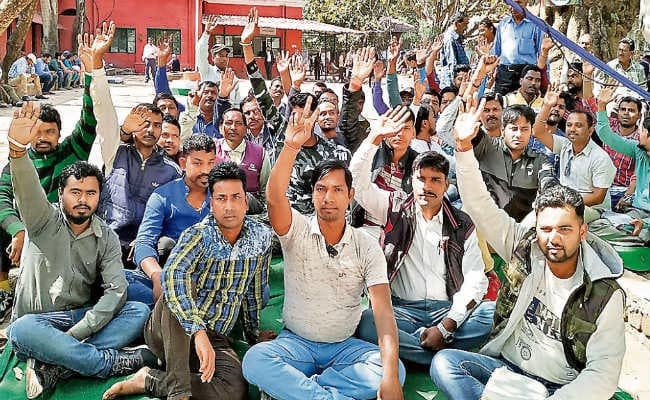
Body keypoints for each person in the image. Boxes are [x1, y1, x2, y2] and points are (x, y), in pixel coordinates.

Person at [430, 99, 626, 400]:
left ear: (582, 231)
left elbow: (603, 373)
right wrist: (464, 147)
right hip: (506, 370)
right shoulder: (524, 247)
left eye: (564, 229)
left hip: (556, 388)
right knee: (445, 364)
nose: (553, 238)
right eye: (545, 229)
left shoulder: (604, 293)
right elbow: (479, 205)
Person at [241, 80, 405, 399]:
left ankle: (308, 390)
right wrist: (291, 147)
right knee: (256, 360)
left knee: (393, 369)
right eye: (321, 189)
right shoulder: (297, 230)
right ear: (313, 195)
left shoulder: (365, 246)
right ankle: (326, 395)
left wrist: (388, 376)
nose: (329, 197)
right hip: (295, 344)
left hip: (345, 348)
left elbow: (383, 313)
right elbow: (274, 199)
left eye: (337, 190)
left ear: (350, 196)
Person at [6, 103, 154, 399]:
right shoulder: (42, 219)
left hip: (78, 318)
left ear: (99, 197)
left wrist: (76, 334)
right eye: (75, 192)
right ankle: (107, 362)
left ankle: (57, 364)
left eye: (90, 193)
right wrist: (18, 152)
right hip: (37, 321)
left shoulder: (106, 236)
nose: (83, 200)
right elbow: (27, 189)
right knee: (20, 330)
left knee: (138, 310)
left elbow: (115, 290)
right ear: (61, 194)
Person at [103, 161, 274, 400]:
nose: (229, 206)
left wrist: (253, 335)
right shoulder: (197, 236)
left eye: (236, 197)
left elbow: (253, 290)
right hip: (170, 329)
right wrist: (197, 330)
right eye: (221, 198)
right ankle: (179, 392)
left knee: (233, 389)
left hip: (215, 337)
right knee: (180, 287)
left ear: (246, 201)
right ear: (211, 204)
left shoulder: (261, 238)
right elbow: (172, 278)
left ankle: (150, 379)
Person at [351, 106, 494, 377]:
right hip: (404, 311)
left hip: (446, 309)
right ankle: (442, 357)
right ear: (412, 181)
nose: (427, 186)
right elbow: (356, 183)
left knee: (489, 313)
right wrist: (374, 138)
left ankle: (416, 348)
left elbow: (476, 279)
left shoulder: (461, 223)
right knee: (368, 321)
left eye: (435, 180)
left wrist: (447, 325)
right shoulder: (393, 208)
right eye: (421, 179)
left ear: (446, 185)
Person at [0, 31, 102, 322]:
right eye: (37, 132)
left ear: (59, 133)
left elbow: (90, 118)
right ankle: (4, 290)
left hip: (60, 229)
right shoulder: (15, 164)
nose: (43, 137)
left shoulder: (72, 151)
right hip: (26, 226)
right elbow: (3, 199)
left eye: (50, 132)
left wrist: (90, 74)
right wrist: (18, 230)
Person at [533, 91, 616, 212]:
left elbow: (598, 197)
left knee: (552, 216)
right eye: (569, 125)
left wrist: (566, 205)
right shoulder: (565, 145)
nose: (572, 129)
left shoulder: (600, 157)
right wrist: (546, 106)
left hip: (592, 210)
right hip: (565, 205)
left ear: (590, 130)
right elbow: (538, 132)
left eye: (578, 125)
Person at [593, 85, 650, 244]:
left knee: (640, 233)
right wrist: (601, 106)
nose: (639, 134)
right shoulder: (638, 150)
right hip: (636, 212)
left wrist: (645, 224)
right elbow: (606, 135)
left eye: (643, 131)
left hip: (646, 220)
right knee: (596, 226)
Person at [216, 108, 271, 213]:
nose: (233, 127)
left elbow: (266, 189)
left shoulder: (260, 153)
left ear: (246, 128)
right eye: (228, 123)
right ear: (220, 128)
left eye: (238, 123)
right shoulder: (211, 150)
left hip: (251, 210)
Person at [492, 0, 543, 95]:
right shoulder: (503, 24)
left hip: (527, 75)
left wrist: (545, 77)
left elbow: (542, 54)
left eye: (518, 3)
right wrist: (492, 72)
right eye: (511, 3)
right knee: (502, 101)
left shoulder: (536, 24)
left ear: (526, 2)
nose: (514, 7)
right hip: (504, 75)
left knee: (525, 103)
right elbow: (496, 52)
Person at [601, 96, 642, 207]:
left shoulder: (642, 139)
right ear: (618, 112)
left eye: (631, 110)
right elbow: (590, 106)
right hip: (600, 186)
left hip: (623, 192)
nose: (626, 113)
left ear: (639, 115)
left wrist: (627, 196)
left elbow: (638, 174)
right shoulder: (609, 127)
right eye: (623, 109)